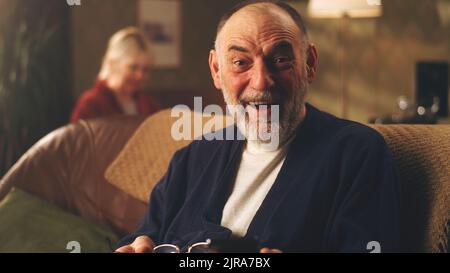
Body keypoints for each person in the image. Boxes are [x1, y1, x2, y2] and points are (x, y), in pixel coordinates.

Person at [115, 0, 401, 253]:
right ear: (217, 70)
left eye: (280, 60)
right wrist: (139, 245)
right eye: (241, 62)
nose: (262, 82)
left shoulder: (356, 153)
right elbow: (145, 236)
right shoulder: (191, 158)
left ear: (310, 64)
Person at [70, 27, 161, 122]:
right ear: (112, 64)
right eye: (133, 68)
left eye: (145, 70)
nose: (140, 76)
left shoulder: (149, 104)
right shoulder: (91, 104)